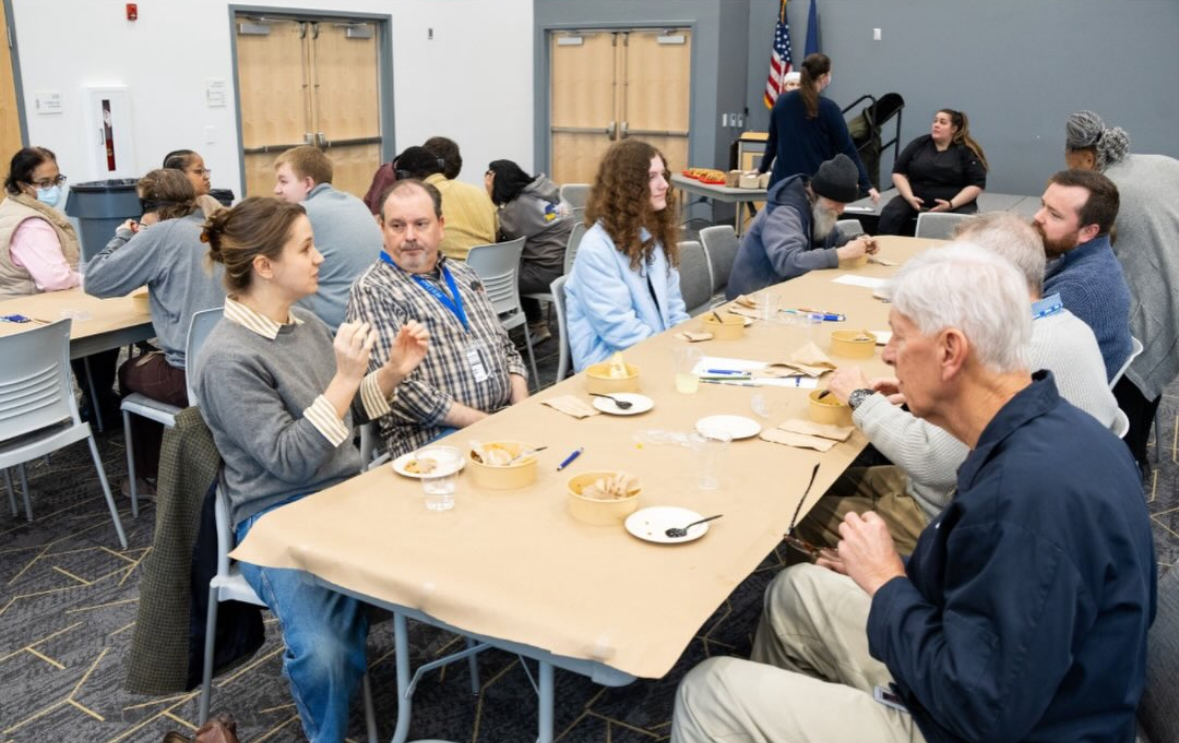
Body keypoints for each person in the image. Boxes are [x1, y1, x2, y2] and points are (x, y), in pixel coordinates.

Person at [672, 244, 1155, 743]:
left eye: (899, 338)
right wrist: (903, 570)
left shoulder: (1021, 502)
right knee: (797, 591)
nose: (886, 353)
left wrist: (886, 583)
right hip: (1018, 685)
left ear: (950, 351)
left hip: (988, 724)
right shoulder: (1052, 427)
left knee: (709, 691)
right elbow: (997, 592)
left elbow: (982, 708)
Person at [194, 196, 429, 743]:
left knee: (447, 550)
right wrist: (346, 378)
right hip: (277, 517)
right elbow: (290, 459)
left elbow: (343, 415)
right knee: (323, 654)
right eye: (306, 248)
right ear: (265, 266)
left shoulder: (301, 323)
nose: (320, 257)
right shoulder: (226, 358)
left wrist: (391, 373)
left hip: (342, 496)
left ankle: (353, 614)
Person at [797, 212, 1121, 554]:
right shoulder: (1061, 323)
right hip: (974, 496)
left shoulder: (1025, 351)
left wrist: (860, 398)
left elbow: (930, 460)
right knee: (817, 483)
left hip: (951, 516)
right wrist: (918, 390)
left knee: (801, 509)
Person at [345, 179, 528, 460]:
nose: (409, 236)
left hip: (502, 419)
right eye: (397, 226)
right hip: (435, 439)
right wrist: (488, 426)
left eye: (421, 224)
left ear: (441, 226)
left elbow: (506, 349)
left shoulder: (466, 275)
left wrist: (523, 413)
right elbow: (402, 393)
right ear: (381, 229)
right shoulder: (373, 289)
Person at [83, 169, 226, 493]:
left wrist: (124, 234)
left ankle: (148, 478)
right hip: (233, 360)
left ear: (147, 206)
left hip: (189, 374)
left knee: (130, 370)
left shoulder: (159, 235)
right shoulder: (213, 228)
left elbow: (96, 280)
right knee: (153, 357)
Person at [1065, 110, 1179, 467]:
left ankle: (1122, 464)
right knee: (1146, 372)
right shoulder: (1161, 164)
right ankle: (1134, 456)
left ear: (1086, 157)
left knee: (1127, 362)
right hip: (1171, 286)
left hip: (1148, 305)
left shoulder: (1104, 192)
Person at [564, 139, 689, 371]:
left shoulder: (651, 236)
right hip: (612, 367)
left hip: (653, 352)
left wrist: (686, 346)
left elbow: (674, 307)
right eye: (652, 177)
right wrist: (670, 356)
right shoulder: (596, 248)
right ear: (628, 186)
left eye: (663, 175)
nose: (664, 185)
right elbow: (618, 329)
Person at [726, 153, 877, 299]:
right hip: (753, 297)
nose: (841, 210)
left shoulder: (816, 205)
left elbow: (836, 239)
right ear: (819, 194)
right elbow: (787, 263)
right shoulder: (784, 213)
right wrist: (840, 254)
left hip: (782, 289)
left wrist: (859, 241)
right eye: (836, 203)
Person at [1034, 169, 1131, 381]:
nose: (1038, 217)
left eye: (1054, 214)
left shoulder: (1078, 289)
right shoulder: (1090, 254)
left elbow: (1022, 352)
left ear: (1088, 232)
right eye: (1043, 205)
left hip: (1066, 398)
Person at [272, 145, 382, 332]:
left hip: (334, 330)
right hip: (373, 319)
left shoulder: (303, 214)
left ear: (307, 184)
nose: (276, 190)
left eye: (283, 182)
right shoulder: (355, 202)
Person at [757, 53, 878, 202]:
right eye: (829, 73)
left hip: (782, 185)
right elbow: (847, 149)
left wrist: (761, 169)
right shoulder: (829, 108)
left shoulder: (782, 102)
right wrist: (866, 184)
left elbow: (772, 143)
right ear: (823, 77)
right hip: (813, 188)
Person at [485, 158, 572, 343]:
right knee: (521, 266)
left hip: (546, 273)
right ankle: (537, 324)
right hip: (567, 266)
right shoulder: (545, 191)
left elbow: (498, 236)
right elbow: (547, 219)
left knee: (500, 277)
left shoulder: (518, 207)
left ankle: (506, 333)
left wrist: (489, 197)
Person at [876, 109, 988, 236]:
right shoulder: (919, 144)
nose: (936, 125)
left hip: (955, 203)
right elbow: (898, 173)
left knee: (964, 222)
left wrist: (951, 204)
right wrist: (909, 197)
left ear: (954, 128)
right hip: (915, 199)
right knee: (891, 213)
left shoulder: (967, 151)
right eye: (935, 121)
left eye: (943, 122)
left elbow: (976, 185)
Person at [0, 146, 79, 299]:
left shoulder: (10, 206)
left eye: (57, 180)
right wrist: (87, 280)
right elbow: (56, 280)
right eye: (44, 183)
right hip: (29, 309)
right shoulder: (31, 225)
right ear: (22, 185)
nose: (54, 188)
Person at [395, 144, 497, 261]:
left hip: (449, 275)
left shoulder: (418, 202)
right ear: (440, 166)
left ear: (404, 177)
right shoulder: (479, 192)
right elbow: (497, 233)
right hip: (493, 275)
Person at [162, 149, 224, 217]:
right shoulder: (161, 209)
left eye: (205, 171)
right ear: (178, 176)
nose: (206, 177)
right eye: (199, 171)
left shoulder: (208, 202)